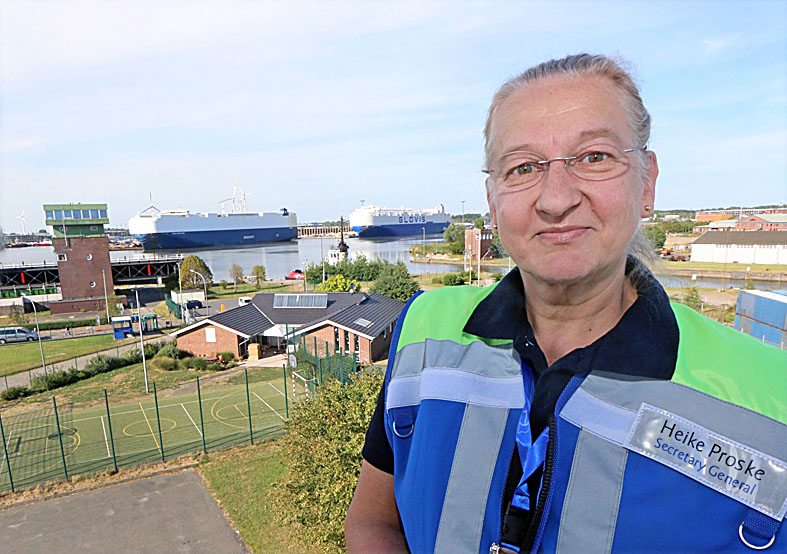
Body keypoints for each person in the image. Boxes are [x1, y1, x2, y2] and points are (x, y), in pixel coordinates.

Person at [345, 53, 786, 553]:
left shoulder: (773, 396)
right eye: (523, 167)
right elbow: (373, 523)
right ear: (493, 201)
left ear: (647, 181)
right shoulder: (424, 330)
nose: (556, 199)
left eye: (594, 157)